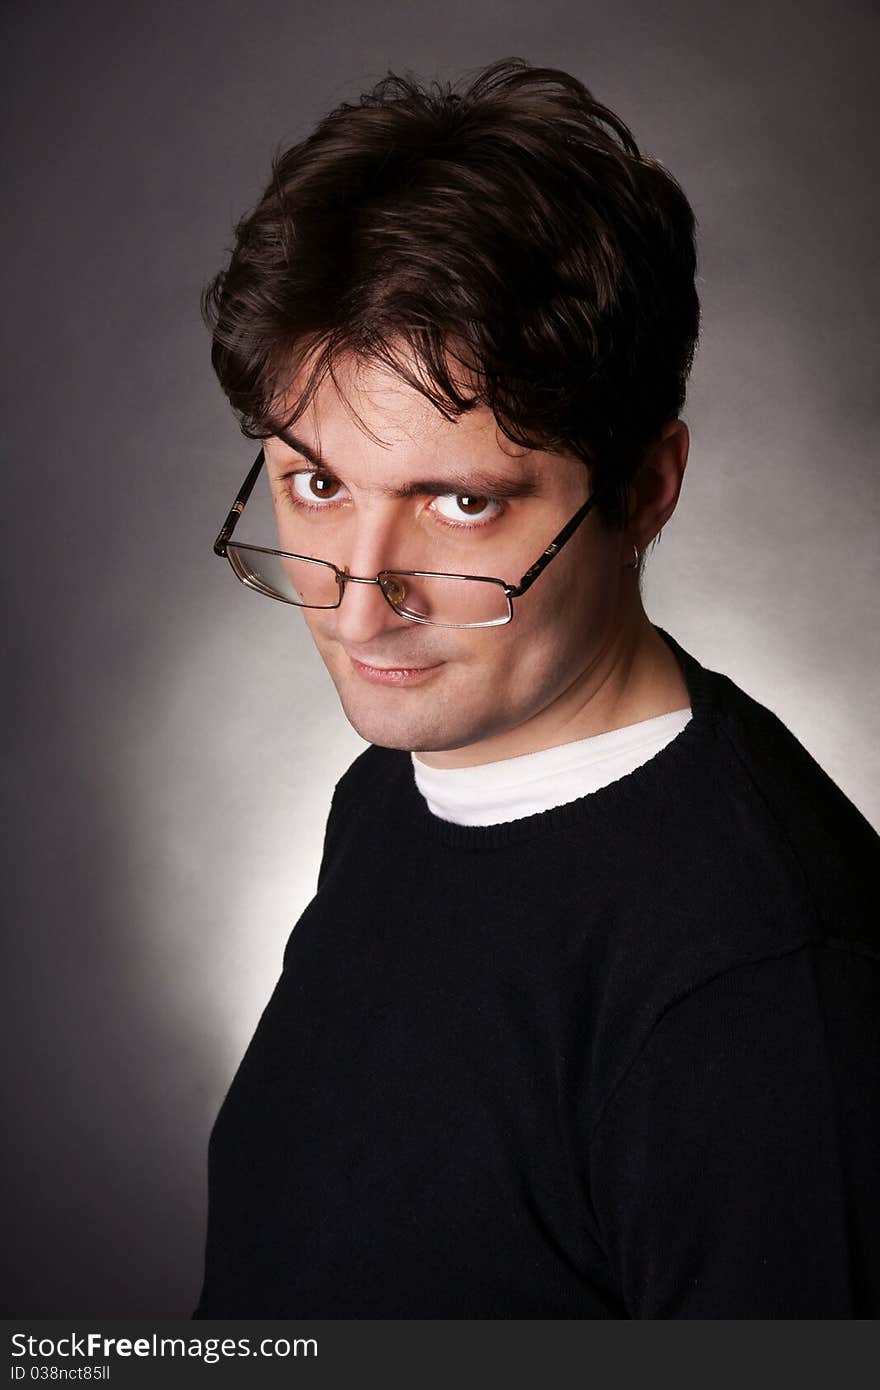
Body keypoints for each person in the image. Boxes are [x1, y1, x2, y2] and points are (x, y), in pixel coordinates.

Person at [192, 57, 880, 1318]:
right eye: (316, 484)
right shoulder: (396, 795)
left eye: (462, 504)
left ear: (646, 488)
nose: (355, 605)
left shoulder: (765, 996)